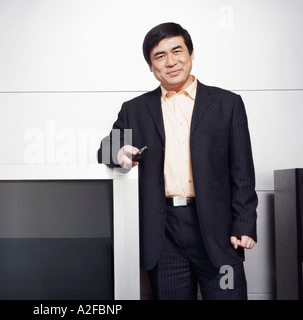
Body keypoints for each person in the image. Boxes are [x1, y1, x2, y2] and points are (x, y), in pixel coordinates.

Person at [97, 22, 257, 300]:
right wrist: (118, 154)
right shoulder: (135, 110)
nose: (171, 62)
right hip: (163, 234)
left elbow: (242, 171)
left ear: (191, 54)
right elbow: (106, 150)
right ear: (150, 66)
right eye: (160, 56)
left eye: (177, 51)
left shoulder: (226, 104)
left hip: (218, 231)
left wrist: (244, 222)